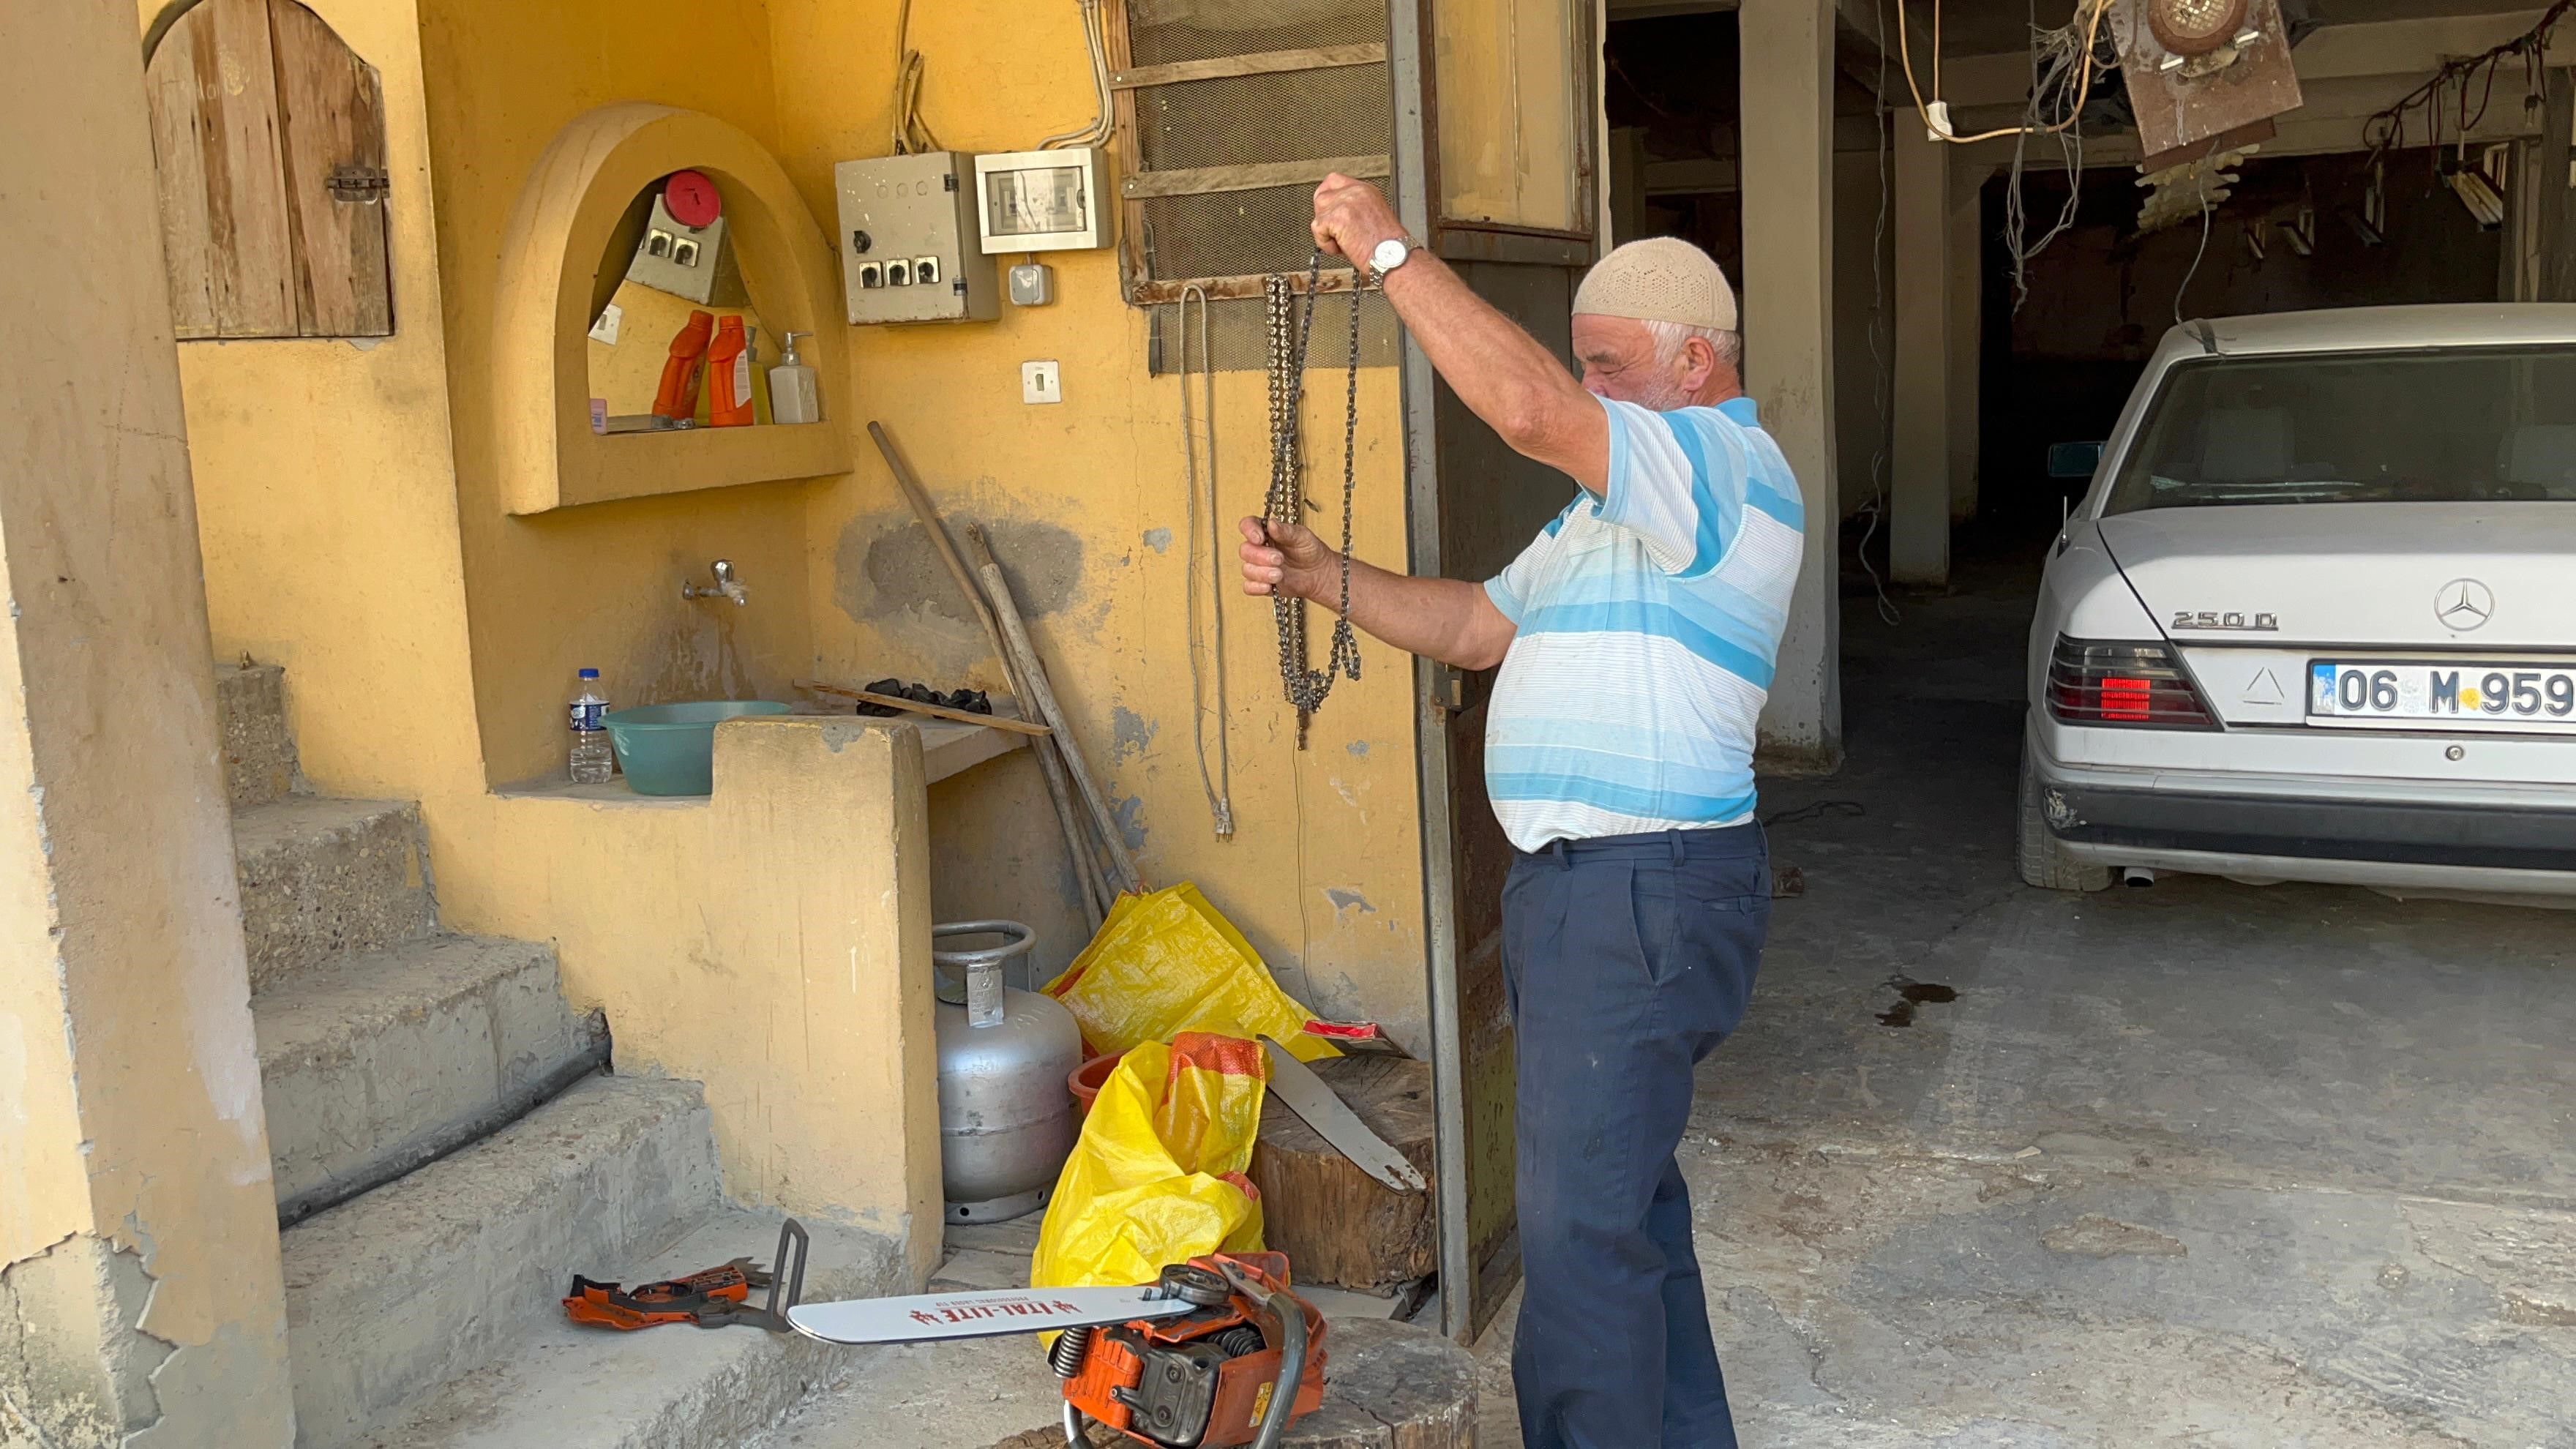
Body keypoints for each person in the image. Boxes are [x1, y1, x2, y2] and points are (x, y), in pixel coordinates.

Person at [1240, 176, 1804, 1449]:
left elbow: (1527, 406)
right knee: (1622, 1208)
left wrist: (1390, 251)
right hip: (1589, 892)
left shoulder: (1720, 464)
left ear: (1695, 362)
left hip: (1638, 887)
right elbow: (1476, 627)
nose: (1589, 390)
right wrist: (1325, 575)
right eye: (1588, 366)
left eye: (1610, 366)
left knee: (1575, 1237)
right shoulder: (1614, 507)